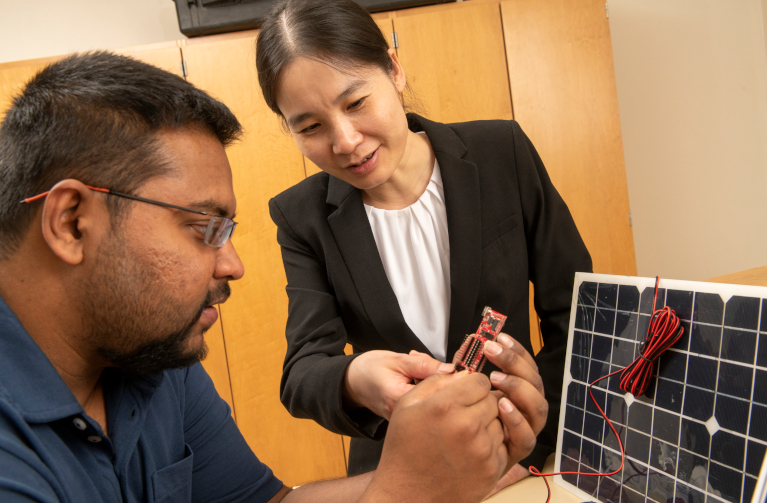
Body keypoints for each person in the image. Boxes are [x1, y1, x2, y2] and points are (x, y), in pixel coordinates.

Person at [0, 51, 549, 503]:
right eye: (202, 228)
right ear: (72, 222)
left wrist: (440, 475)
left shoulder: (153, 358)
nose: (232, 264)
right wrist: (408, 492)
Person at [256, 0, 592, 489]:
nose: (345, 141)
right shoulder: (301, 217)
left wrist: (534, 447)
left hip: (527, 458)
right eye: (310, 127)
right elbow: (303, 373)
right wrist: (357, 377)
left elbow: (579, 313)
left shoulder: (502, 153)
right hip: (403, 478)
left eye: (355, 103)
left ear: (393, 69)